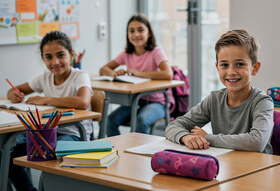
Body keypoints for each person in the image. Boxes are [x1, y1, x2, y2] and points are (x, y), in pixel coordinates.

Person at [6, 31, 93, 191]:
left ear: (72, 54)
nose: (55, 62)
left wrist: (47, 99)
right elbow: (14, 90)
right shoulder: (44, 77)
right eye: (49, 57)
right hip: (46, 133)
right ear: (43, 58)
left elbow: (83, 101)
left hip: (75, 134)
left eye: (61, 55)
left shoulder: (80, 76)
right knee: (6, 150)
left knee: (49, 153)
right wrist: (13, 95)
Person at [165, 29, 274, 153]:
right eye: (224, 65)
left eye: (239, 64)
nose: (231, 72)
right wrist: (186, 137)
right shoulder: (215, 99)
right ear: (217, 67)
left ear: (254, 68)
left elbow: (256, 142)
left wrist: (207, 138)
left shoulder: (262, 102)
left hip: (259, 167)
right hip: (225, 166)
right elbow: (173, 125)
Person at [99, 14, 174, 136]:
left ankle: (137, 153)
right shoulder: (127, 53)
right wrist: (114, 73)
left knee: (141, 120)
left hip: (157, 102)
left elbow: (168, 74)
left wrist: (140, 74)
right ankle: (120, 150)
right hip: (134, 101)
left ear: (149, 33)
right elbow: (103, 69)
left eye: (140, 30)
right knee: (108, 121)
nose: (136, 34)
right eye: (131, 31)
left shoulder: (156, 52)